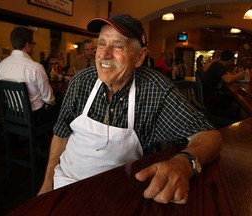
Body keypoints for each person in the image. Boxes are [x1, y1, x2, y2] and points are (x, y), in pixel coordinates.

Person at [38, 14, 222, 204]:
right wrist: (47, 182)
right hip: (64, 183)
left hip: (117, 195)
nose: (104, 55)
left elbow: (210, 136)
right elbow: (61, 133)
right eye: (101, 44)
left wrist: (183, 163)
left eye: (118, 46)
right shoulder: (81, 82)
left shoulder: (155, 91)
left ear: (140, 56)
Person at [0, 26, 59, 125]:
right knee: (59, 107)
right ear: (27, 45)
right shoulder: (35, 67)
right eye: (33, 43)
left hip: (10, 113)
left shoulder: (1, 66)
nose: (34, 46)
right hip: (34, 118)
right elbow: (48, 99)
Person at [201, 49, 244, 119]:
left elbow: (226, 76)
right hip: (209, 96)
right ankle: (226, 121)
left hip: (206, 94)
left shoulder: (216, 65)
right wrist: (239, 75)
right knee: (236, 104)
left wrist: (233, 75)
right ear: (230, 60)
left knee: (231, 100)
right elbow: (228, 79)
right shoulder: (218, 66)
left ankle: (222, 118)